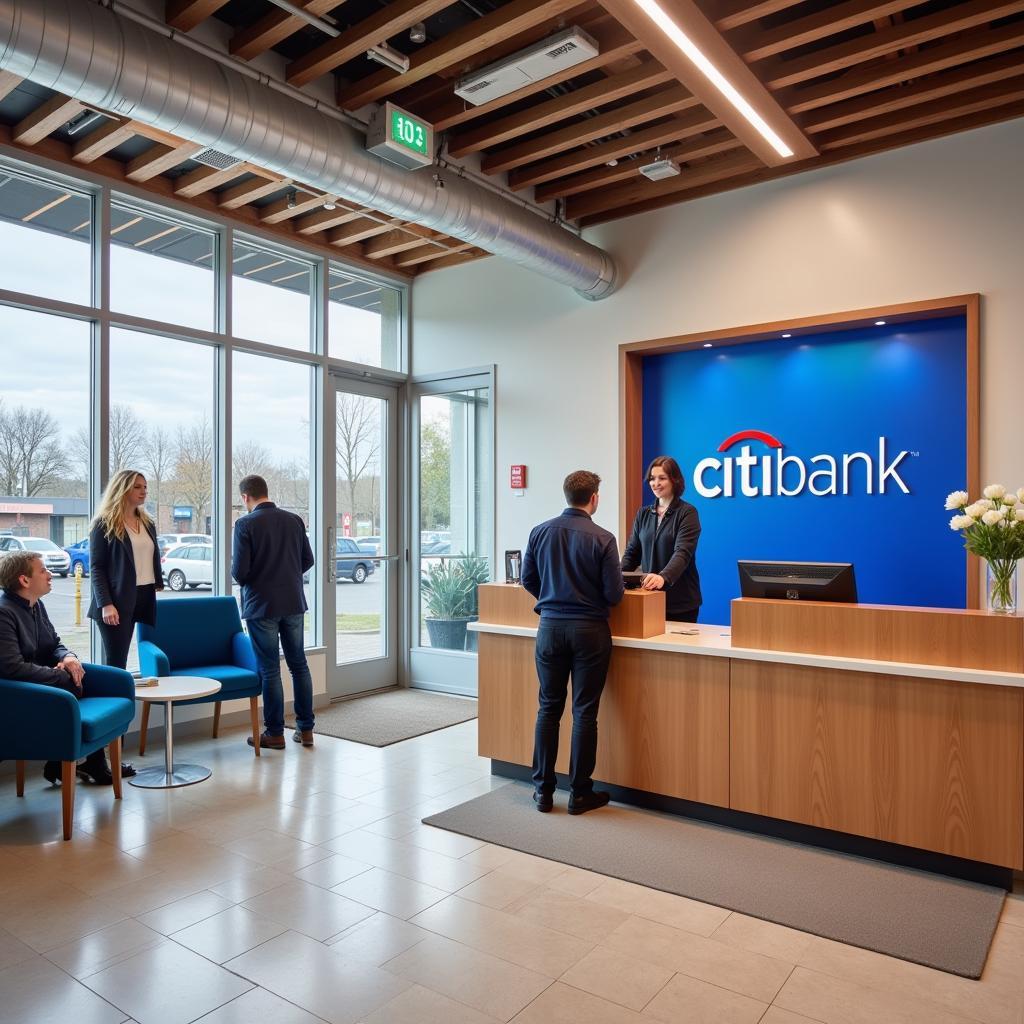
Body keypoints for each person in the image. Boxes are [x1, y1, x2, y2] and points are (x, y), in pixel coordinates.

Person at [521, 470, 625, 815]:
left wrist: (552, 598)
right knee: (584, 712)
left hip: (549, 628)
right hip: (590, 631)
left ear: (567, 495)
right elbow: (614, 593)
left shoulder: (539, 531)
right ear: (594, 498)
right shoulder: (604, 538)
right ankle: (580, 793)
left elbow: (528, 579)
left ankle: (542, 792)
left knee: (548, 708)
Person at [0, 550, 113, 784]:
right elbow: (11, 668)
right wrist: (59, 675)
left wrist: (69, 656)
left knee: (78, 675)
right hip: (20, 695)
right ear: (24, 580)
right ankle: (72, 764)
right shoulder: (4, 613)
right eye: (43, 570)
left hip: (42, 685)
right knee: (72, 682)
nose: (50, 574)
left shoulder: (36, 605)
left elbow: (55, 643)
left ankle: (79, 763)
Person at [232, 474, 316, 751]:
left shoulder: (244, 524)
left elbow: (239, 572)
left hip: (261, 605)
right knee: (299, 665)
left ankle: (275, 733)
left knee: (270, 670)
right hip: (293, 602)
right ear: (266, 492)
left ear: (246, 497)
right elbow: (308, 560)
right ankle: (306, 730)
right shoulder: (294, 520)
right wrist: (285, 575)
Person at [88, 469, 164, 668]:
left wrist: (158, 581)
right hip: (116, 599)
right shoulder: (104, 524)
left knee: (138, 653)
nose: (144, 491)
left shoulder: (147, 522)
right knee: (117, 661)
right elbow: (97, 568)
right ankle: (117, 698)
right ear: (121, 489)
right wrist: (106, 603)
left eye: (145, 487)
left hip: (144, 594)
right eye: (137, 487)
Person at [621, 455, 702, 622]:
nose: (655, 483)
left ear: (675, 480)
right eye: (652, 478)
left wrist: (663, 577)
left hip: (680, 603)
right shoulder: (643, 513)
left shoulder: (687, 513)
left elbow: (682, 553)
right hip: (648, 599)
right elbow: (632, 553)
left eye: (662, 478)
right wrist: (617, 576)